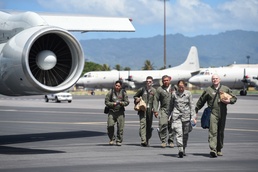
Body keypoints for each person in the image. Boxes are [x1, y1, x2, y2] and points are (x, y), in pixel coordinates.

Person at [195, 74, 237, 157]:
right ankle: (213, 149)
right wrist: (196, 109)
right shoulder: (208, 90)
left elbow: (234, 98)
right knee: (212, 131)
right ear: (211, 80)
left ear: (220, 79)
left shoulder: (225, 89)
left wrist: (229, 101)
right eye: (213, 79)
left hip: (223, 113)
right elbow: (201, 101)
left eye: (216, 78)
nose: (215, 80)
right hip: (213, 113)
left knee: (220, 132)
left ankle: (219, 148)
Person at [169, 80, 197, 158]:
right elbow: (171, 105)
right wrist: (169, 116)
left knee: (185, 134)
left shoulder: (188, 94)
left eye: (182, 87)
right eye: (179, 87)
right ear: (177, 86)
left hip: (186, 116)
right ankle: (180, 149)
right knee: (178, 133)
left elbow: (192, 105)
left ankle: (183, 148)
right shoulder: (174, 94)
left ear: (184, 86)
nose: (181, 88)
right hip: (176, 116)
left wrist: (193, 117)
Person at [105, 80, 130, 146]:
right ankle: (111, 139)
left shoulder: (123, 92)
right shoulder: (111, 92)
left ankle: (119, 140)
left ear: (121, 86)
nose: (117, 87)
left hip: (120, 112)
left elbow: (127, 102)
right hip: (112, 111)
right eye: (116, 85)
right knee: (110, 125)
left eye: (118, 86)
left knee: (120, 127)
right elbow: (106, 102)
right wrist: (113, 104)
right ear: (114, 85)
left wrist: (122, 103)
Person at [133, 76, 156, 147]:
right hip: (143, 109)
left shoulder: (154, 91)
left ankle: (147, 139)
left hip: (150, 110)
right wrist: (137, 99)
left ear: (152, 82)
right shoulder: (142, 89)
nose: (148, 83)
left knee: (149, 125)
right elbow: (135, 96)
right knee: (143, 124)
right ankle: (143, 140)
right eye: (147, 81)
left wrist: (155, 109)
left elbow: (155, 101)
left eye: (150, 81)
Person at [153, 75, 175, 148]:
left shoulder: (174, 88)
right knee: (162, 124)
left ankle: (171, 141)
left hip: (173, 110)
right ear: (162, 81)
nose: (165, 82)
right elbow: (156, 100)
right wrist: (155, 110)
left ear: (169, 80)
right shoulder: (159, 89)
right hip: (163, 109)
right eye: (164, 80)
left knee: (172, 126)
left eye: (167, 80)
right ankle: (163, 141)